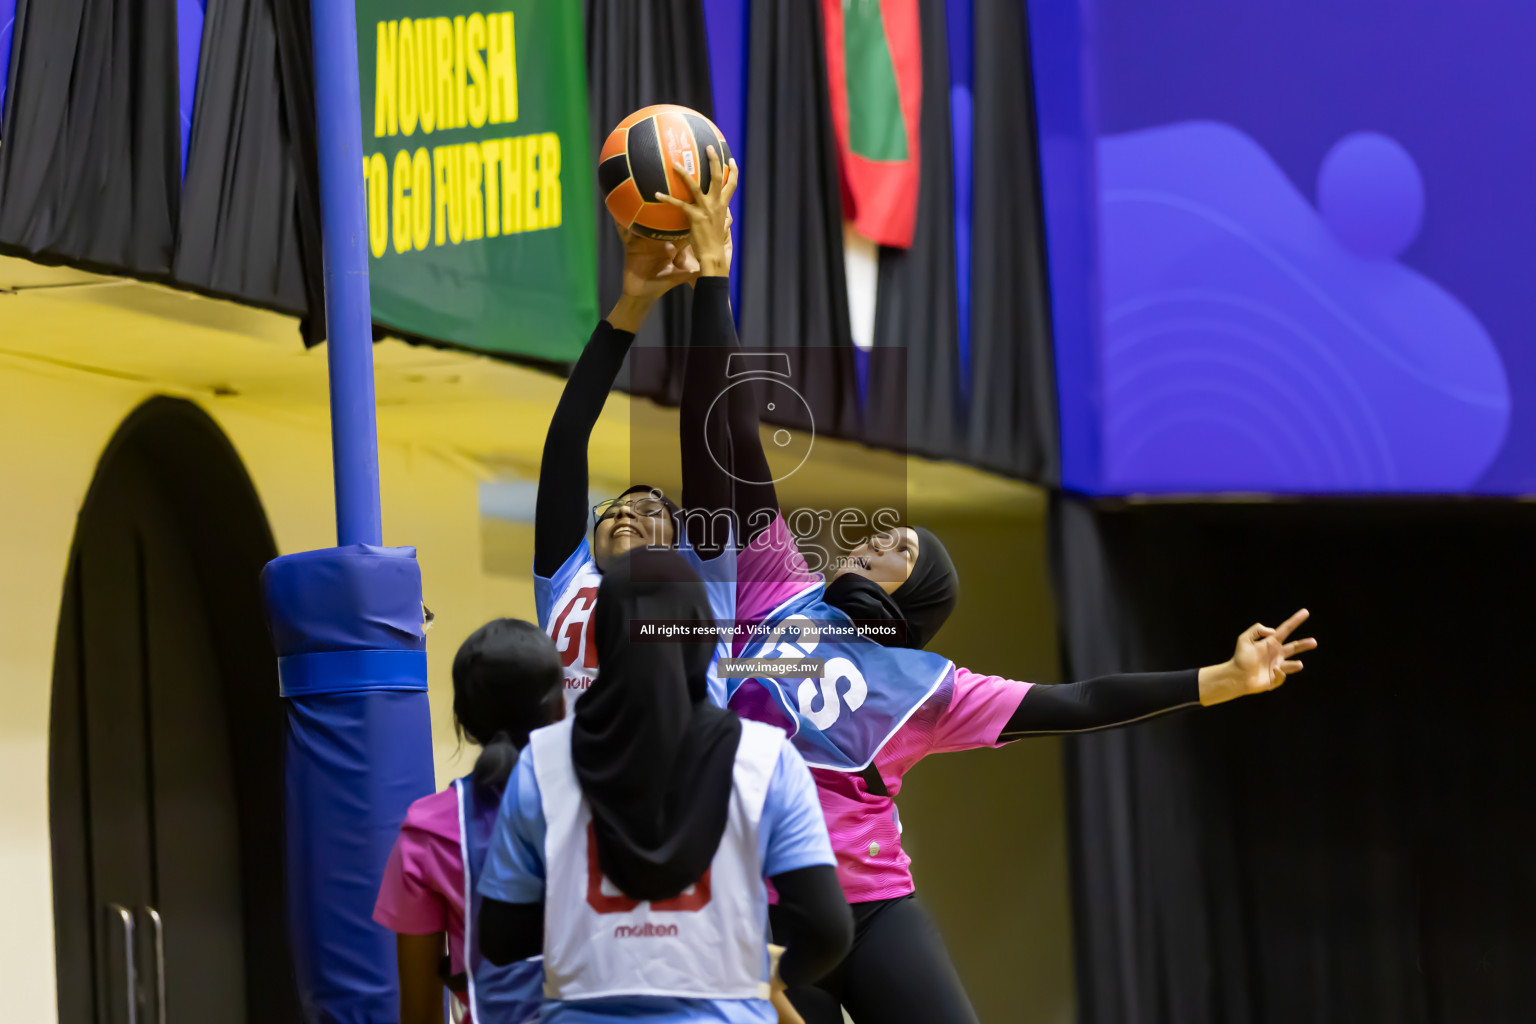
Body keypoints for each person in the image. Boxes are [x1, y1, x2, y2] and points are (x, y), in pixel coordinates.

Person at [662, 147, 1320, 1023]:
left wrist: (1225, 680)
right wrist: (713, 284)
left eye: (897, 544)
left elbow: (1079, 700)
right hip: (768, 904)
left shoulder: (933, 690)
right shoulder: (781, 586)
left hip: (877, 907)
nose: (872, 539)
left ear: (910, 598)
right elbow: (730, 441)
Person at [475, 550, 854, 1023]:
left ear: (604, 632)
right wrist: (759, 973)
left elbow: (500, 937)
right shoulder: (768, 758)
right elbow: (827, 932)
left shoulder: (541, 760)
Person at [534, 209, 740, 713]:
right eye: (616, 509)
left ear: (684, 544)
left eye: (651, 511)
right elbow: (566, 440)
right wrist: (630, 305)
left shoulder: (704, 584)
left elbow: (705, 429)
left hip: (679, 776)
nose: (625, 512)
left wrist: (713, 278)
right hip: (578, 777)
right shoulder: (568, 578)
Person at [373, 618, 566, 1024]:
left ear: (461, 718)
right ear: (559, 709)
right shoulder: (603, 808)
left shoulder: (427, 832)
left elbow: (420, 1014)